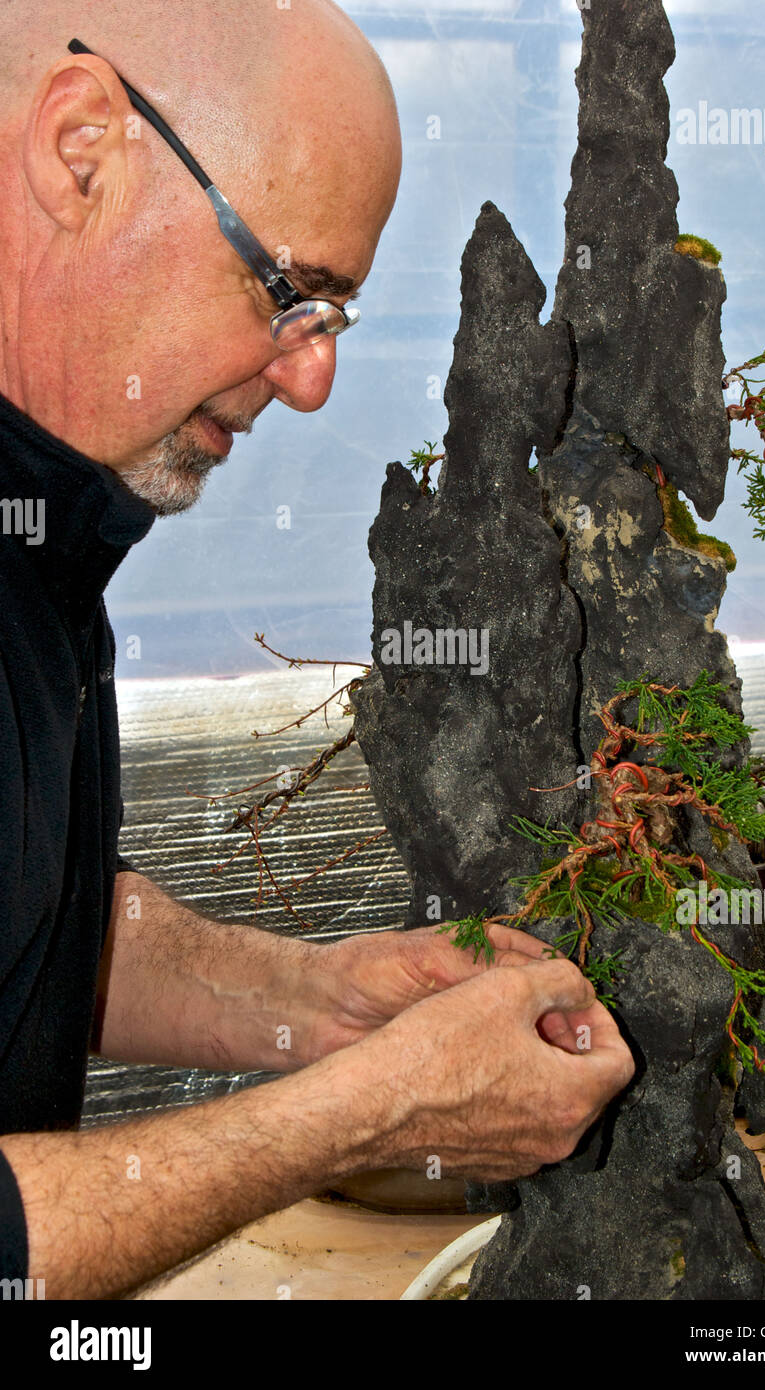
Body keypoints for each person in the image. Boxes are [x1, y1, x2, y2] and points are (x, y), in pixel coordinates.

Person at [0, 0, 635, 1299]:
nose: (310, 385)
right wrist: (363, 1110)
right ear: (81, 153)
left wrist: (318, 993)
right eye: (289, 292)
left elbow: (39, 918)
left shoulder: (50, 528)